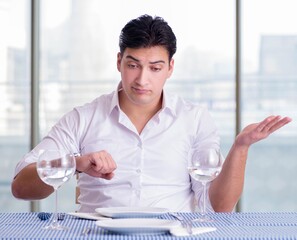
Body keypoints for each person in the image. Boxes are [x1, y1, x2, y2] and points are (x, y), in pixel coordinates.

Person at [11, 14, 292, 213]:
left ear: (170, 68)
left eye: (155, 68)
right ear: (119, 61)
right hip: (95, 234)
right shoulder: (82, 118)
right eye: (133, 65)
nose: (142, 79)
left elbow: (219, 206)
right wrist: (76, 163)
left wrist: (241, 147)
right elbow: (21, 188)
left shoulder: (194, 120)